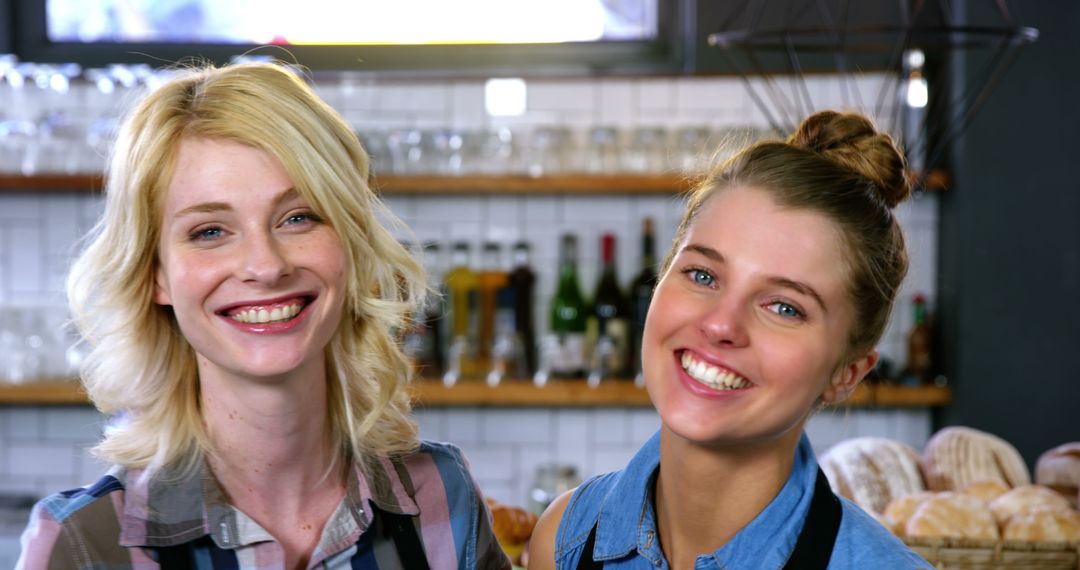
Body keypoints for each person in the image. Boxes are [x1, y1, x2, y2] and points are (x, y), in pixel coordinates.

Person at [17, 61, 511, 570]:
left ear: (350, 246)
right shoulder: (86, 542)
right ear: (155, 274)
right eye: (210, 231)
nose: (266, 265)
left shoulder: (441, 495)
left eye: (299, 217)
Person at [529, 110, 932, 569]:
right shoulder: (566, 538)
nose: (721, 325)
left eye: (784, 307)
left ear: (847, 373)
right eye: (702, 275)